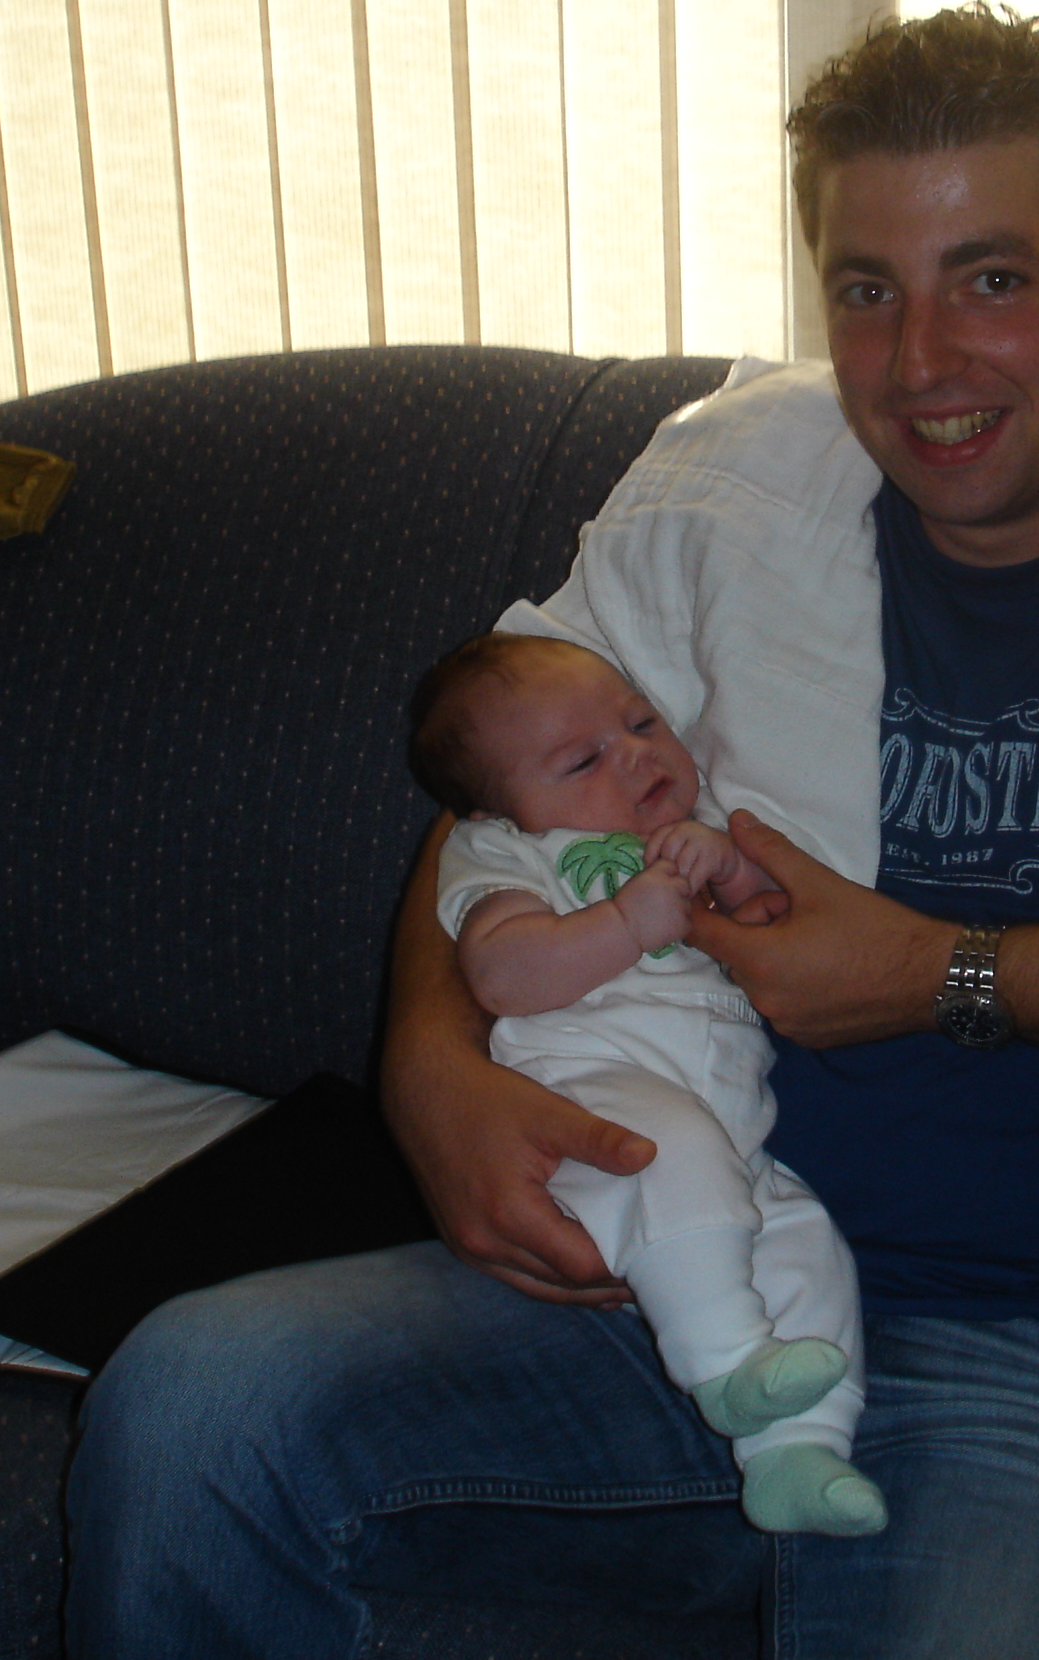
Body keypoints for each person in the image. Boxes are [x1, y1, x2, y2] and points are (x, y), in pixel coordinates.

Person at [65, 6, 1039, 1660]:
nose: (920, 362)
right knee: (191, 1407)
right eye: (864, 289)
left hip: (1026, 1346)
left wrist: (939, 972)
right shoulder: (745, 495)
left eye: (990, 278)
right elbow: (501, 786)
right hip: (649, 1263)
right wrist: (429, 1069)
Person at [407, 630, 884, 1538]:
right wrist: (627, 921)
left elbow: (775, 924)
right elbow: (502, 974)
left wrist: (733, 872)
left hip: (731, 1128)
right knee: (674, 1156)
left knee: (802, 1242)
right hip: (589, 1088)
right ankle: (726, 1364)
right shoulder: (507, 855)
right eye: (583, 760)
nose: (634, 754)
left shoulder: (693, 830)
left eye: (640, 722)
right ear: (498, 810)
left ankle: (797, 1453)